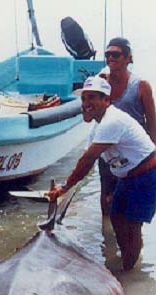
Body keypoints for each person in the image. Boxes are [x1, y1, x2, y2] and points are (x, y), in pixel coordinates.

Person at [46, 75, 156, 271]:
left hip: (146, 174)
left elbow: (87, 161)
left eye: (93, 98)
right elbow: (87, 157)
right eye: (84, 98)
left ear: (107, 100)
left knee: (132, 227)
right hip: (127, 175)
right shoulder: (98, 125)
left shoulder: (112, 121)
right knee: (115, 217)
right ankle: (128, 261)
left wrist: (64, 188)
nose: (86, 103)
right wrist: (70, 185)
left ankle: (129, 273)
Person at [99, 37, 156, 215]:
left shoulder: (141, 86)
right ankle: (106, 239)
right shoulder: (101, 84)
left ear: (128, 58)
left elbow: (152, 123)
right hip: (108, 152)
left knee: (131, 206)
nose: (111, 58)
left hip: (134, 155)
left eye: (116, 54)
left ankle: (130, 241)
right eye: (107, 54)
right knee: (107, 195)